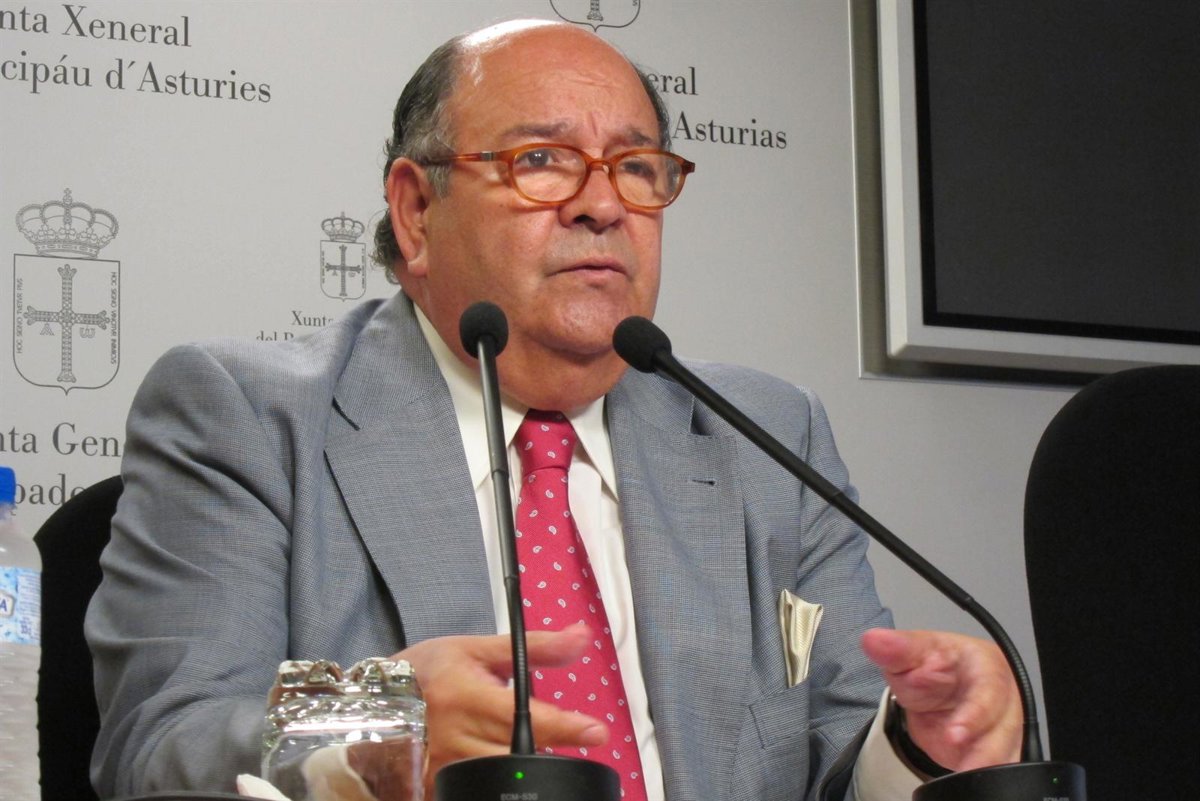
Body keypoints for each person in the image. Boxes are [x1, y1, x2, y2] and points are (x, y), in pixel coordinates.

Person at [86, 19, 1020, 801]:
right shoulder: (247, 414)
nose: (603, 206)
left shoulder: (766, 437)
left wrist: (923, 745)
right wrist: (379, 717)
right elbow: (161, 743)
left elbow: (842, 755)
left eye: (637, 167)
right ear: (416, 212)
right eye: (542, 160)